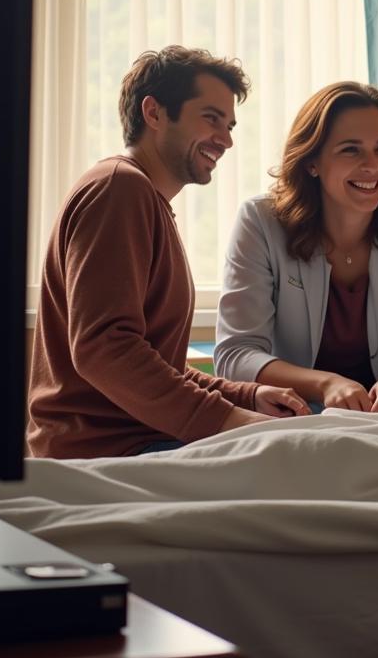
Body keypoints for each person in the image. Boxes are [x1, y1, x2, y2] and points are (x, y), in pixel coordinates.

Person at [28, 47, 309, 460]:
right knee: (317, 457)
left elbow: (159, 365)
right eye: (211, 118)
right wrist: (228, 420)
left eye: (230, 125)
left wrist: (246, 396)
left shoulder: (141, 197)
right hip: (110, 451)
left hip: (137, 440)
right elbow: (104, 349)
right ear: (154, 113)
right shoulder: (119, 190)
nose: (227, 140)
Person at [214, 82, 378, 412]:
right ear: (312, 162)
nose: (372, 166)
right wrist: (326, 384)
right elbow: (236, 354)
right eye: (351, 149)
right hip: (295, 412)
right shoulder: (259, 221)